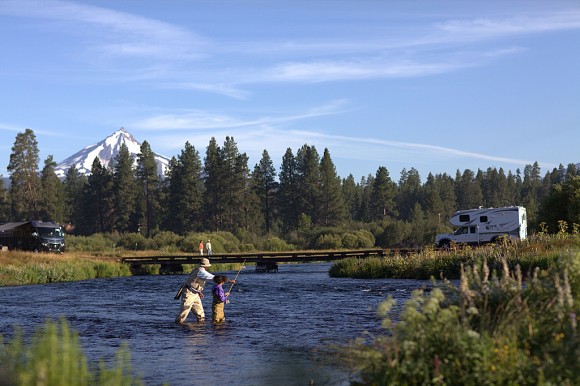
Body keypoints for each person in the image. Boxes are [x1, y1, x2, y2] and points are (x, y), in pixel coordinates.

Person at [175, 258, 214, 324]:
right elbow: (213, 277)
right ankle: (177, 326)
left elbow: (194, 282)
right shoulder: (201, 271)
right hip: (189, 293)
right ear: (205, 266)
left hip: (194, 293)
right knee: (184, 313)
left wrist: (198, 292)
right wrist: (227, 280)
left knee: (200, 315)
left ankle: (200, 328)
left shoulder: (199, 270)